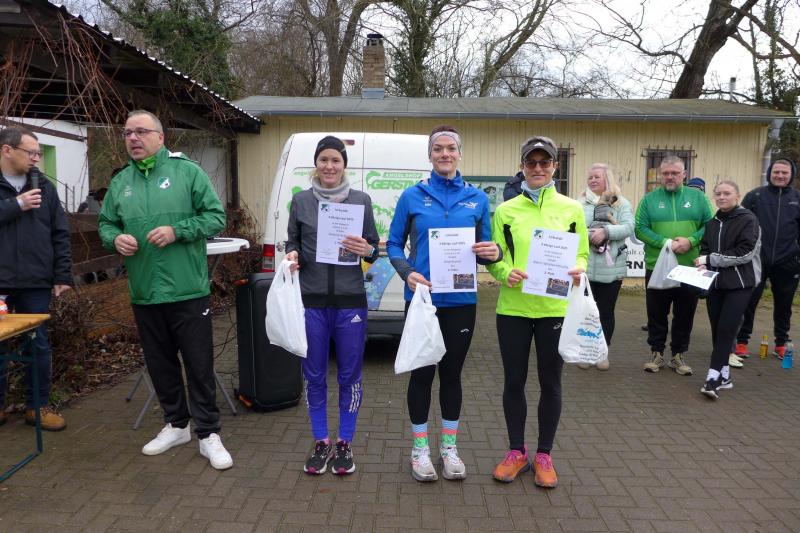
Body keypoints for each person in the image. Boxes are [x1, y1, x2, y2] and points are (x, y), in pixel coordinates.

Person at [98, 110, 232, 470]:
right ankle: (177, 425)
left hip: (187, 290)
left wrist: (178, 231)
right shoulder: (121, 182)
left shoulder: (187, 172)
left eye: (141, 131)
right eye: (128, 132)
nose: (133, 138)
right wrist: (115, 238)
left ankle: (208, 433)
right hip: (145, 291)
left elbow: (215, 217)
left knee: (199, 364)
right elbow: (106, 223)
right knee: (160, 364)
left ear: (160, 136)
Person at [387, 125, 501, 482]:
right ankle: (419, 450)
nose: (445, 154)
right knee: (422, 374)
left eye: (451, 148)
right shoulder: (412, 196)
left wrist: (493, 252)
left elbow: (486, 250)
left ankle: (449, 448)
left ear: (459, 154)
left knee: (451, 375)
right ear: (430, 155)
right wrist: (407, 272)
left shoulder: (477, 199)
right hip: (422, 300)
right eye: (438, 149)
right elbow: (393, 244)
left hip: (462, 300)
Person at [487, 136, 588, 488]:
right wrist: (505, 273)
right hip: (513, 308)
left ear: (555, 167)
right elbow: (496, 256)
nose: (538, 168)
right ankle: (517, 452)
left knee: (551, 382)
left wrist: (578, 268)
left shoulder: (572, 209)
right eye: (531, 162)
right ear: (522, 166)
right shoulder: (505, 210)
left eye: (545, 162)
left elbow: (582, 253)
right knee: (514, 381)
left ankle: (544, 455)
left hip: (554, 308)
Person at [285, 136, 379, 476]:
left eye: (335, 160)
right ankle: (321, 440)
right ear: (316, 163)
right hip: (311, 301)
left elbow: (374, 249)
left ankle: (345, 442)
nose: (329, 166)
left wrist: (367, 250)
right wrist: (292, 255)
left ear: (343, 165)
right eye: (323, 159)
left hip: (350, 301)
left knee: (350, 375)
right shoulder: (301, 201)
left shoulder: (361, 201)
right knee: (314, 375)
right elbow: (293, 241)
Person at [0, 127, 72, 431]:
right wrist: (16, 205)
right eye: (30, 152)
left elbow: (60, 232)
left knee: (38, 345)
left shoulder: (44, 186)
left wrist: (62, 274)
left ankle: (37, 407)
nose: (35, 159)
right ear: (7, 150)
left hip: (35, 281)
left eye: (38, 153)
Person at [635, 155, 713, 376]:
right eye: (666, 173)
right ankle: (656, 353)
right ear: (661, 174)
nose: (670, 177)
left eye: (675, 173)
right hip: (657, 266)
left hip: (690, 267)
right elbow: (639, 228)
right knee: (656, 314)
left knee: (685, 314)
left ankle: (678, 355)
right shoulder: (649, 200)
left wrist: (691, 241)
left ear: (684, 174)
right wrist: (666, 243)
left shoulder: (699, 198)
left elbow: (710, 226)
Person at [694, 181, 760, 399]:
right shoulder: (712, 223)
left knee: (726, 329)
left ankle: (712, 379)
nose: (722, 197)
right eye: (718, 194)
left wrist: (710, 259)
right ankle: (725, 377)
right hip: (716, 284)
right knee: (717, 330)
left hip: (740, 285)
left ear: (737, 196)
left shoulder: (748, 219)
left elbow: (745, 253)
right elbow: (705, 248)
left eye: (727, 193)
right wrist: (703, 263)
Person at [736, 158, 800, 360]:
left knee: (784, 306)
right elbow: (740, 224)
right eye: (776, 172)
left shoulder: (797, 198)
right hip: (757, 260)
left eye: (784, 173)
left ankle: (781, 343)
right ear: (770, 173)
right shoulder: (755, 196)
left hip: (788, 262)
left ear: (791, 175)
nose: (780, 176)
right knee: (748, 302)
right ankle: (741, 342)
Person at [577, 163, 635, 371]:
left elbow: (629, 227)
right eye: (590, 177)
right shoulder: (579, 203)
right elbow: (571, 227)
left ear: (607, 179)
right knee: (585, 311)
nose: (592, 180)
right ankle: (586, 352)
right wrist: (589, 234)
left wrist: (606, 232)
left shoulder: (621, 203)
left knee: (605, 312)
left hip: (611, 269)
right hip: (584, 268)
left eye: (597, 177)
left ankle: (601, 353)